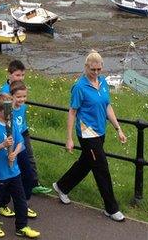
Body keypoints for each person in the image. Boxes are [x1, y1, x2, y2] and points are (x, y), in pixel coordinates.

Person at [53, 51, 128, 222]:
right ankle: (111, 208)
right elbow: (72, 112)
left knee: (86, 163)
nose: (96, 73)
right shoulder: (79, 87)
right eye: (93, 69)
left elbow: (107, 106)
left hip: (101, 132)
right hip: (87, 134)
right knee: (101, 168)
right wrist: (69, 138)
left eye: (99, 69)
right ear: (86, 67)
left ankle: (61, 186)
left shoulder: (102, 82)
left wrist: (118, 129)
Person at [0, 93, 40, 239]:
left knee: (20, 200)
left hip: (14, 171)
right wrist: (3, 145)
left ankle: (21, 226)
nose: (10, 113)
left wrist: (14, 153)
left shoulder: (13, 124)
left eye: (11, 110)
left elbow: (20, 142)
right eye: (7, 110)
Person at [0, 60, 52, 195]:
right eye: (17, 75)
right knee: (14, 157)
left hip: (23, 129)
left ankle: (33, 184)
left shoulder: (21, 89)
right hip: (12, 133)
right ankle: (14, 186)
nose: (20, 78)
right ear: (9, 75)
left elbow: (21, 111)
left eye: (22, 75)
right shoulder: (5, 93)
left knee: (29, 156)